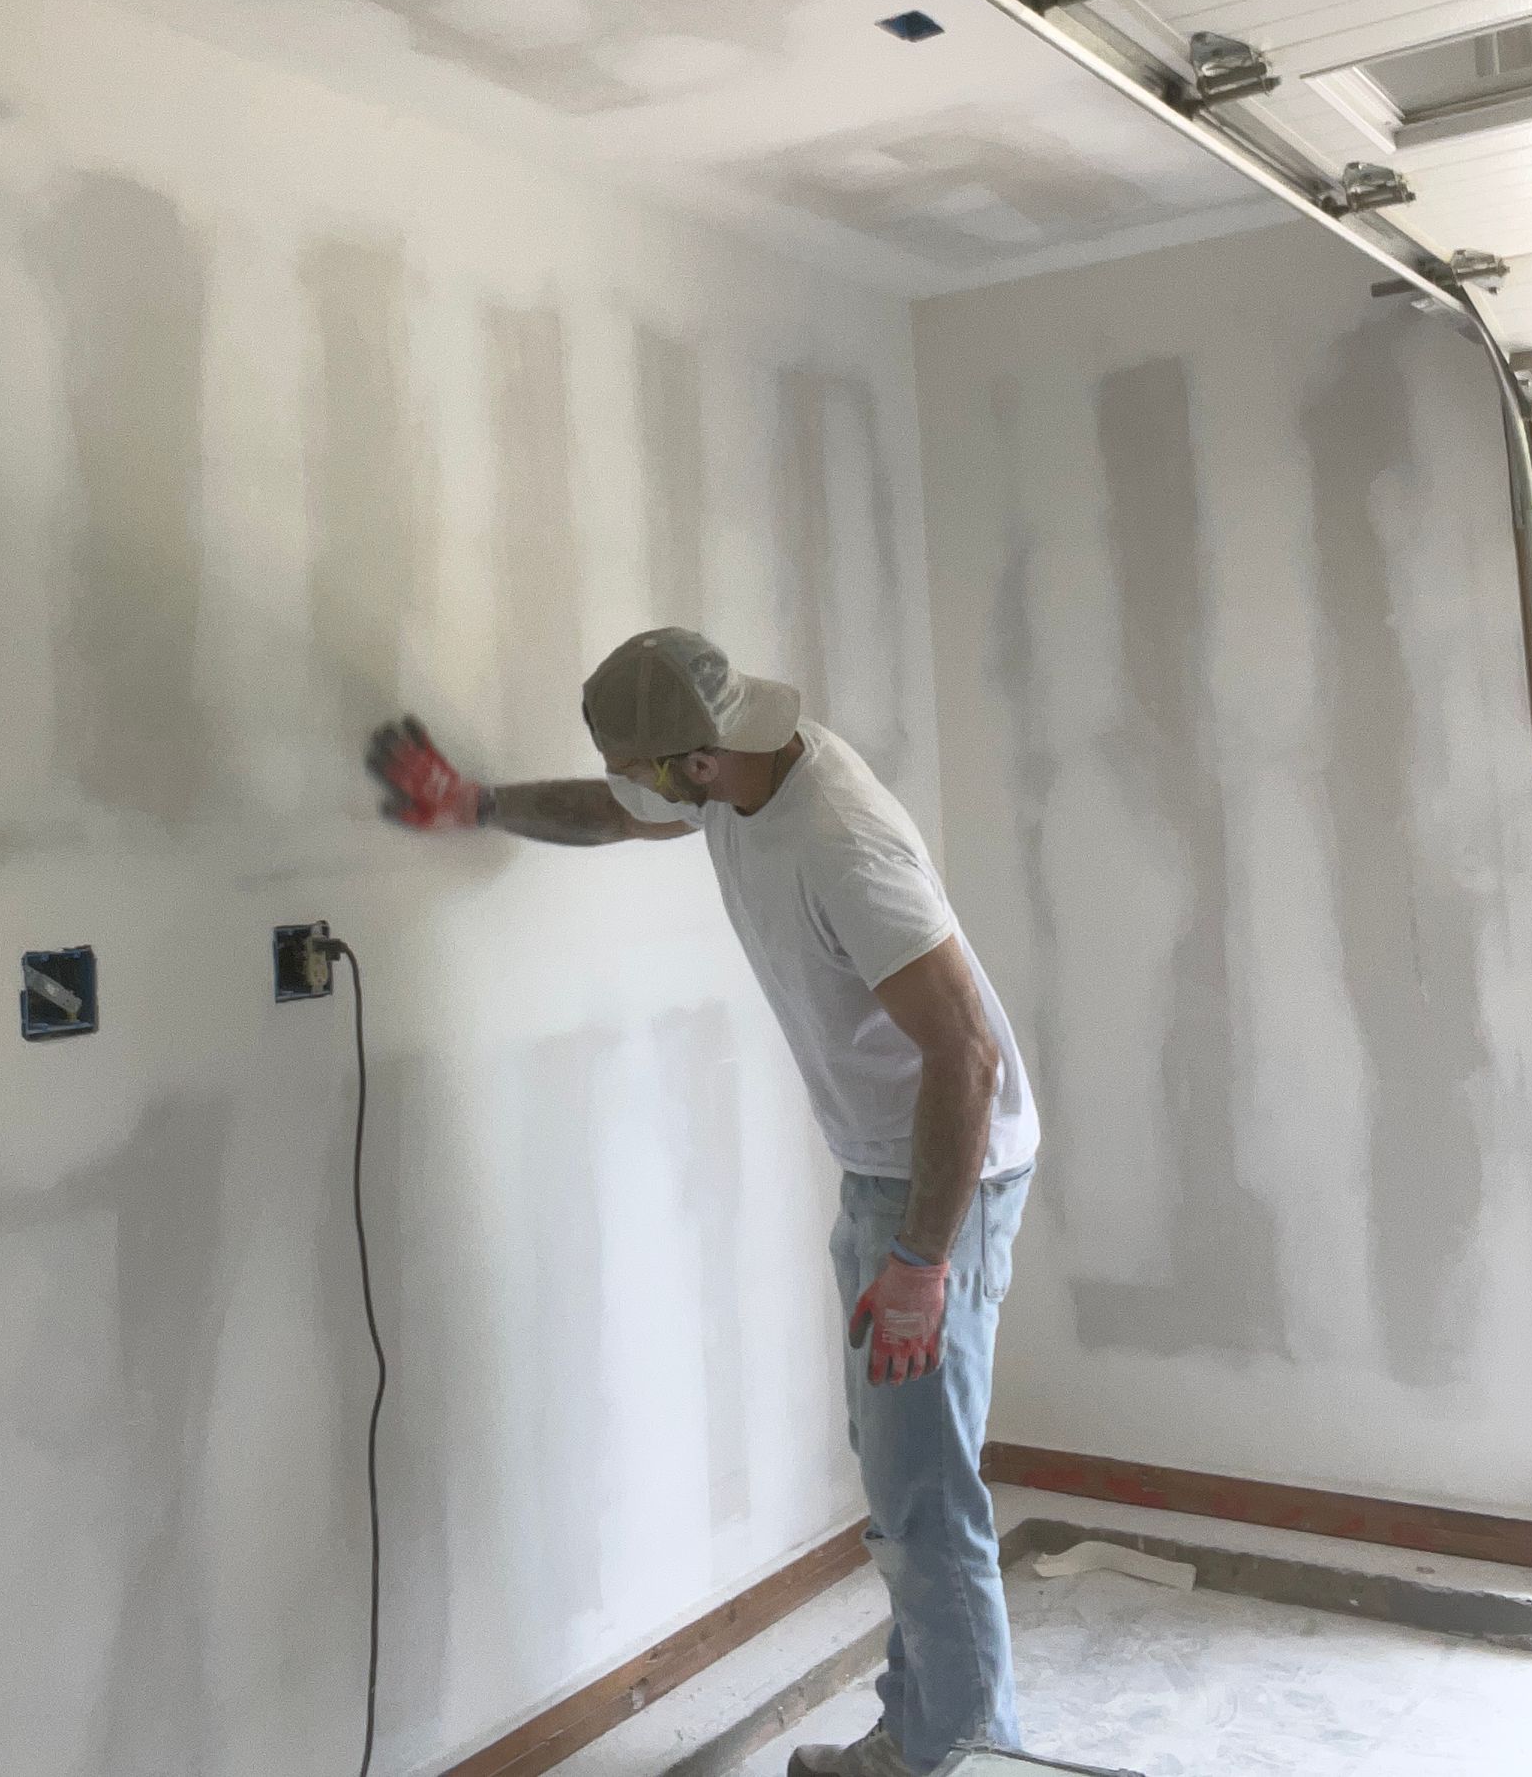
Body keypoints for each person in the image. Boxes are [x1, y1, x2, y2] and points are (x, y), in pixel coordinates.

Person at [367, 628, 1039, 1773]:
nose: (637, 790)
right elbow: (615, 812)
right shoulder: (734, 777)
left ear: (699, 760)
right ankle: (924, 1734)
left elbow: (967, 1056)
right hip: (887, 1166)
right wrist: (477, 804)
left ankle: (966, 1756)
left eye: (648, 771)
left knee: (923, 1497)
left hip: (946, 1179)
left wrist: (924, 1260)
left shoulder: (842, 844)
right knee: (903, 1479)